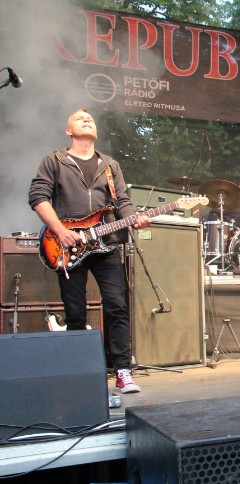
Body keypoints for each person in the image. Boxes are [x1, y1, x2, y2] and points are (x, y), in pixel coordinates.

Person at [28, 108, 151, 394]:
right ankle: (80, 374)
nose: (87, 120)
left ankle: (122, 372)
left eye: (90, 119)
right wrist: (60, 231)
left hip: (106, 244)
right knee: (75, 313)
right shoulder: (55, 160)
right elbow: (37, 197)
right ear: (68, 131)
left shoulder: (109, 165)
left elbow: (122, 202)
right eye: (80, 118)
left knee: (117, 306)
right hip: (67, 245)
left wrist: (135, 218)